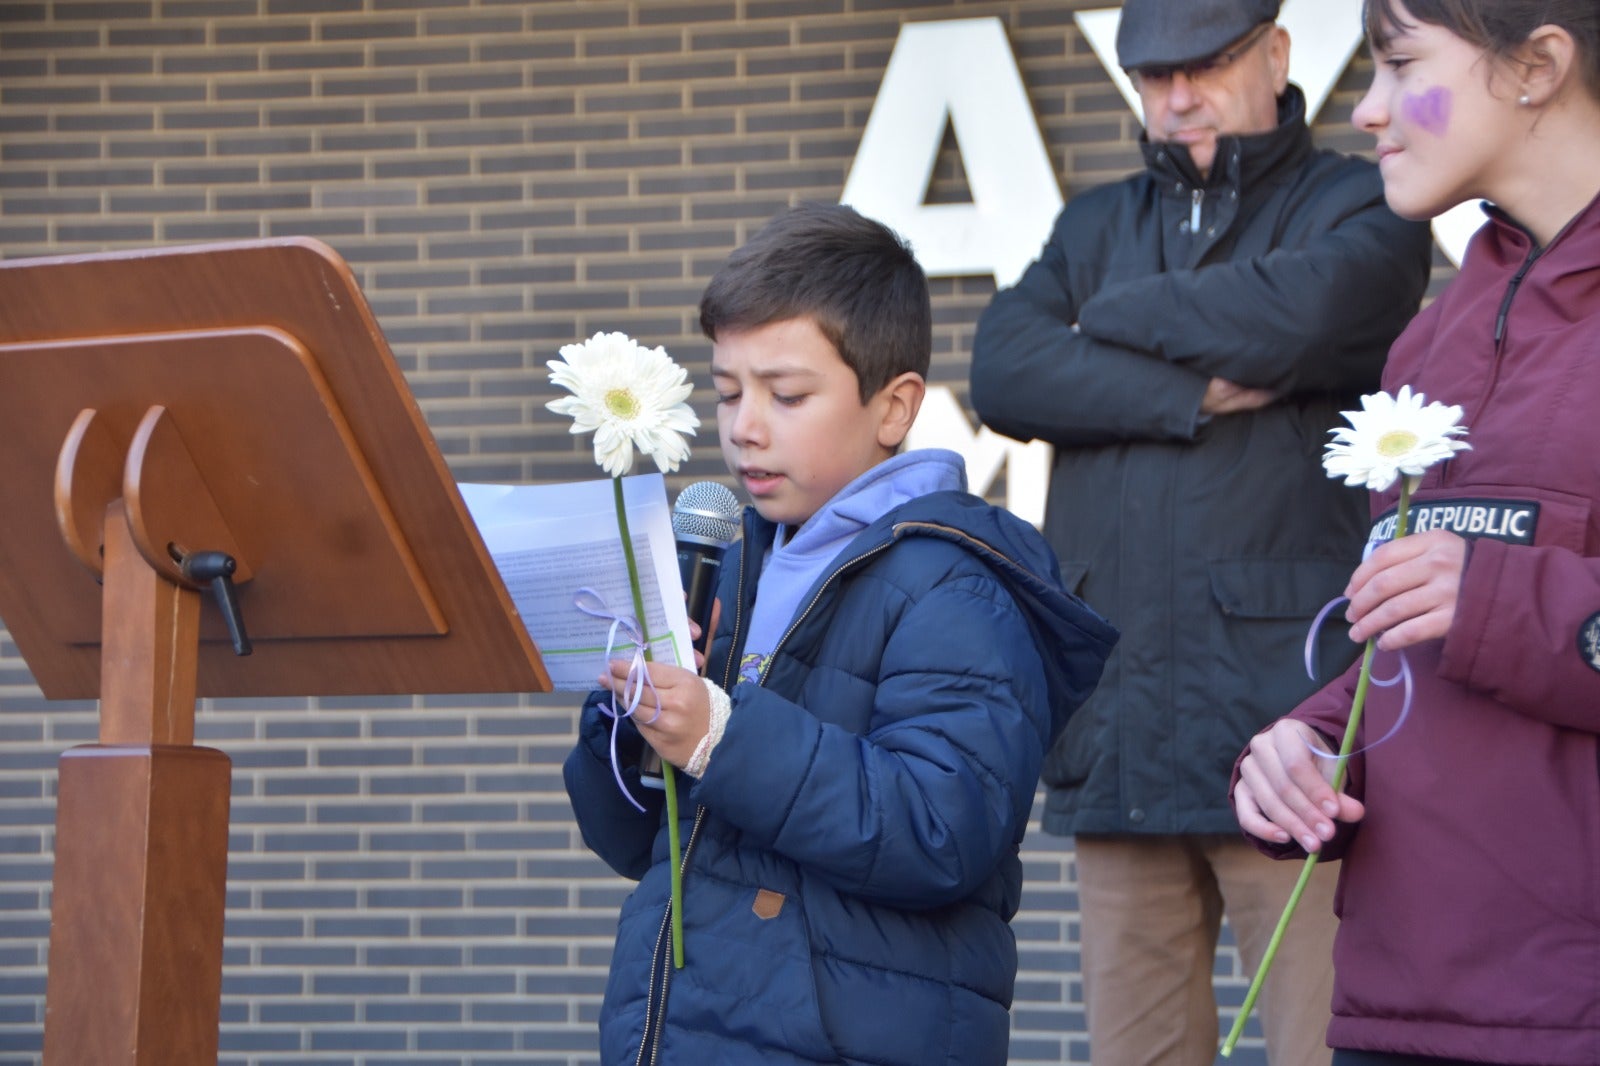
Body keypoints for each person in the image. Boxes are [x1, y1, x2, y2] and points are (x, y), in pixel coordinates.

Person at [968, 0, 1436, 1061]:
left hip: (1290, 732)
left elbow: (1315, 315)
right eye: (1153, 76)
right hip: (1121, 725)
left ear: (1275, 55)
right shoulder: (1092, 224)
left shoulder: (1359, 200)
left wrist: (1108, 323)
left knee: (1325, 1044)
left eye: (1207, 66)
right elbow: (1003, 365)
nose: (1177, 98)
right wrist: (1195, 391)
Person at [562, 202, 1118, 1066]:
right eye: (726, 391)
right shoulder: (729, 562)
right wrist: (629, 724)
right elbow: (636, 842)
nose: (745, 424)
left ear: (894, 408)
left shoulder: (954, 582)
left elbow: (944, 831)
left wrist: (722, 736)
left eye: (785, 395)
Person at [1232, 1, 1600, 1063]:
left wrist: (1490, 598)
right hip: (1394, 1006)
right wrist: (1304, 741)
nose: (1367, 109)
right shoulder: (1423, 346)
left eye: (1398, 65)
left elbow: (1471, 603)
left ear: (1536, 66)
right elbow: (1403, 638)